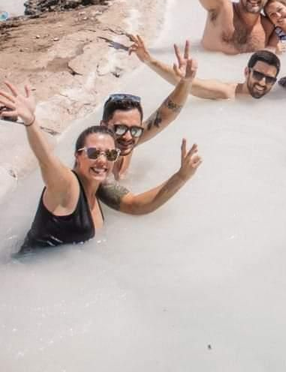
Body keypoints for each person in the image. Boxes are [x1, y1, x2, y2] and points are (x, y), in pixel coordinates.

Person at [0, 81, 202, 253]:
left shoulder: (122, 147)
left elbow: (161, 117)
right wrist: (31, 121)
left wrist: (186, 81)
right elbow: (46, 159)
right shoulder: (68, 187)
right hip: (32, 275)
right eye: (93, 153)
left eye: (109, 154)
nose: (102, 160)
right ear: (78, 156)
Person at [101, 45, 196, 180]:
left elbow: (165, 114)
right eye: (120, 128)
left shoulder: (128, 140)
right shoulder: (96, 164)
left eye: (135, 129)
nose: (128, 137)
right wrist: (181, 177)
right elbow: (132, 202)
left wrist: (186, 82)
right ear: (103, 127)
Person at [128, 35, 280, 101]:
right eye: (259, 75)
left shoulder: (277, 98)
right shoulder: (227, 92)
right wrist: (149, 60)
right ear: (247, 72)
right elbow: (191, 85)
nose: (262, 82)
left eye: (270, 79)